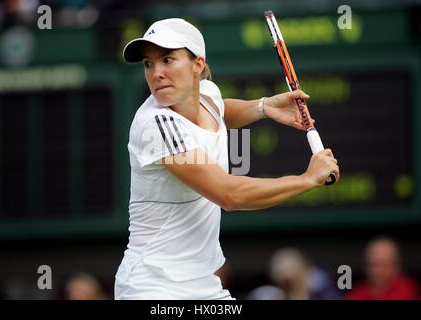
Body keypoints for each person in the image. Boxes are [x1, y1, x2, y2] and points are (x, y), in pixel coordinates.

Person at [114, 18, 340, 300]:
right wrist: (307, 179)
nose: (156, 72)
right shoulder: (156, 125)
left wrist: (264, 106)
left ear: (198, 65)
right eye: (149, 63)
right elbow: (229, 194)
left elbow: (219, 111)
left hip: (203, 287)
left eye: (167, 59)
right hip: (152, 288)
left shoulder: (207, 94)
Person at [248, 248, 341, 300]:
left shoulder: (323, 291)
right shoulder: (273, 295)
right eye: (280, 271)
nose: (286, 275)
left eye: (290, 268)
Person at [346, 236, 420, 300]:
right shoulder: (357, 294)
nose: (377, 271)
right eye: (372, 265)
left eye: (383, 265)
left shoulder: (407, 290)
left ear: (396, 265)